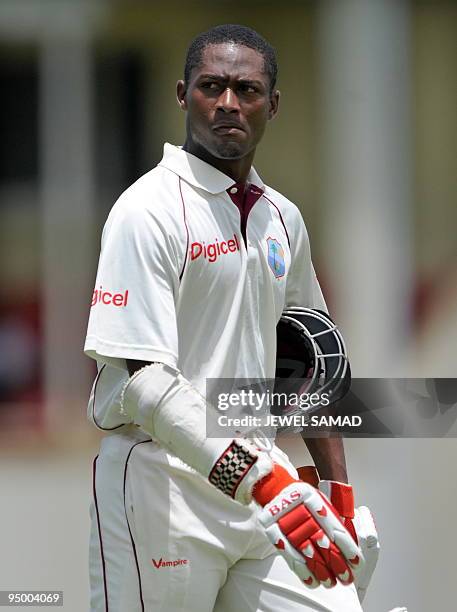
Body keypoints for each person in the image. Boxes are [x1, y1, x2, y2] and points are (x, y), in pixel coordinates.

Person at [84, 24, 367, 612]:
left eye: (247, 89)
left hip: (264, 483)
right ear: (184, 95)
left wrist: (336, 488)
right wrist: (266, 483)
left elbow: (312, 363)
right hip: (164, 485)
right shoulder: (146, 211)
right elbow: (145, 384)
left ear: (274, 104)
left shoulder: (282, 219)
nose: (229, 103)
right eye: (212, 86)